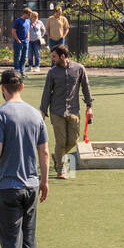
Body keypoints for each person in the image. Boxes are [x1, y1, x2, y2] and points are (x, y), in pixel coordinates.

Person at [0, 69, 49, 248]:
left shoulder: (0, 114)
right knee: (29, 239)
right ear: (21, 87)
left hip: (7, 186)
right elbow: (44, 150)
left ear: (3, 88)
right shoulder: (36, 114)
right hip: (32, 185)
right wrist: (45, 180)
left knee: (11, 241)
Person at [40, 45, 93, 180]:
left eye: (54, 56)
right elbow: (47, 92)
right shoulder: (52, 72)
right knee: (61, 142)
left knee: (74, 140)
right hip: (56, 111)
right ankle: (60, 169)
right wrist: (42, 110)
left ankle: (57, 156)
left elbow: (86, 87)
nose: (52, 59)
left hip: (74, 110)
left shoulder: (79, 68)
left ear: (63, 56)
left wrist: (89, 106)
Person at [12, 8, 31, 76]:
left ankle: (22, 72)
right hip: (18, 42)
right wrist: (18, 40)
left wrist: (28, 39)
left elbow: (28, 30)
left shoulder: (28, 21)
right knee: (17, 57)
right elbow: (13, 31)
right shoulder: (18, 21)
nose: (29, 16)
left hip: (26, 42)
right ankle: (17, 72)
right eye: (29, 15)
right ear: (25, 13)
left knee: (24, 57)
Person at [28, 10, 45, 74]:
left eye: (36, 16)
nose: (35, 18)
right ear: (31, 17)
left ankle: (37, 66)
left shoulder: (39, 22)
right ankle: (30, 66)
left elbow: (43, 30)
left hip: (37, 40)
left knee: (37, 53)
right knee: (30, 54)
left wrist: (40, 36)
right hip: (30, 40)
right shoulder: (28, 22)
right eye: (34, 16)